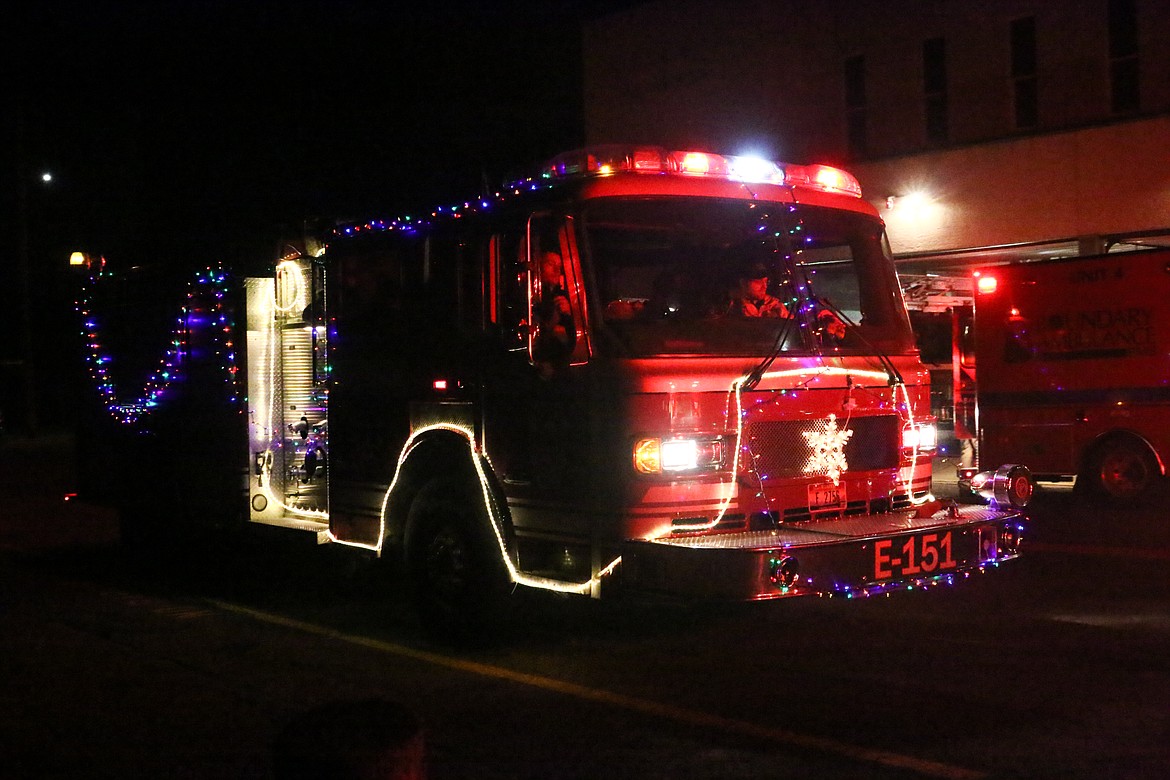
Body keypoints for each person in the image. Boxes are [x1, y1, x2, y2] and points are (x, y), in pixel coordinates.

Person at [532, 249, 576, 362]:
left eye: (559, 266)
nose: (557, 270)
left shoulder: (566, 297)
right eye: (550, 264)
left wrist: (570, 314)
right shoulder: (531, 296)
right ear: (538, 266)